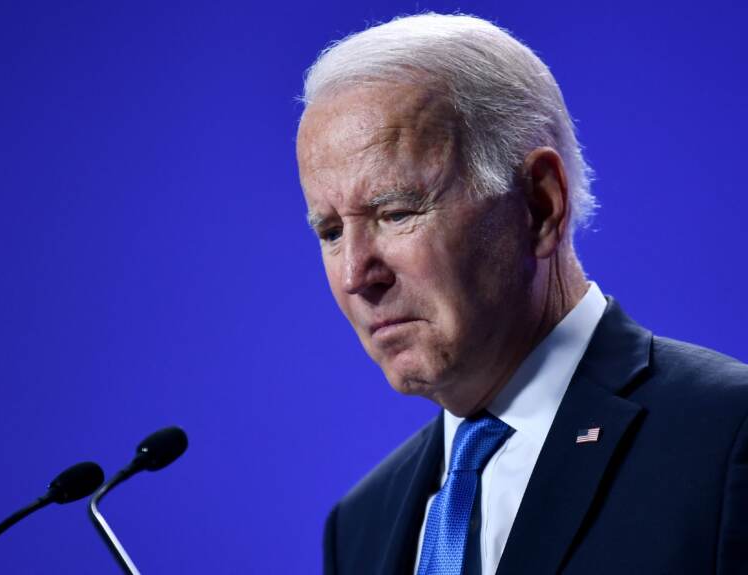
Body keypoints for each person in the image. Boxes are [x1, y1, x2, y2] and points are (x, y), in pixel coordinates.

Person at [295, 13, 748, 575]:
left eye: (395, 212)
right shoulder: (361, 525)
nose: (355, 275)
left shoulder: (727, 438)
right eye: (331, 232)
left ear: (539, 205)